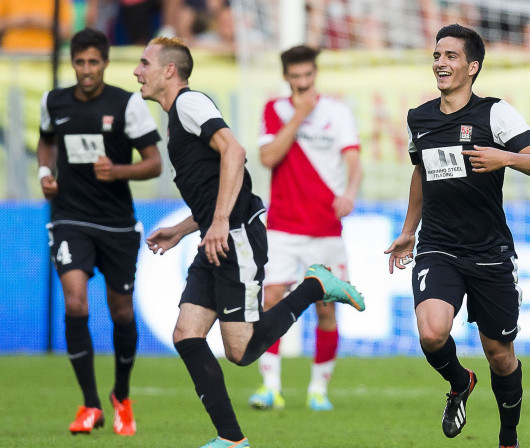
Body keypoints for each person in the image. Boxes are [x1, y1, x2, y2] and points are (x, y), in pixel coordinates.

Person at [134, 36, 364, 448]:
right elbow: (214, 186)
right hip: (216, 235)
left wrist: (219, 221)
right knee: (187, 335)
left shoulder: (188, 103)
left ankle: (316, 286)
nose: (137, 71)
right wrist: (186, 227)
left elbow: (235, 152)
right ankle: (231, 439)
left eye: (144, 63)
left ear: (169, 70)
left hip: (235, 234)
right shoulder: (178, 116)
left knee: (241, 351)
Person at [385, 24, 530, 448]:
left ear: (472, 67)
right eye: (438, 55)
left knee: (500, 355)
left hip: (490, 253)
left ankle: (508, 438)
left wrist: (506, 157)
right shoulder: (419, 118)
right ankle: (460, 382)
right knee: (431, 332)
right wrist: (409, 230)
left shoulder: (495, 113)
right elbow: (421, 173)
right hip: (438, 247)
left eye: (451, 56)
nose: (441, 63)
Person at [37, 28, 162, 436]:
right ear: (73, 63)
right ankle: (90, 405)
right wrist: (45, 171)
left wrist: (118, 171)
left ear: (105, 63)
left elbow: (154, 163)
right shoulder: (53, 101)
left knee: (121, 311)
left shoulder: (127, 105)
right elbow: (45, 140)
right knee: (76, 304)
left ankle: (121, 396)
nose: (86, 71)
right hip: (70, 217)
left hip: (117, 223)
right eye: (80, 63)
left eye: (94, 62)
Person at [249, 44, 363, 412]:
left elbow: (353, 160)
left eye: (307, 75)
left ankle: (318, 390)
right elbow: (268, 158)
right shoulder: (275, 110)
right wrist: (297, 118)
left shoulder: (338, 112)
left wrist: (350, 192)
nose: (302, 82)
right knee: (271, 299)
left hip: (325, 227)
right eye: (295, 77)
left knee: (326, 309)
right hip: (282, 226)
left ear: (315, 74)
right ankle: (270, 387)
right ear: (286, 78)